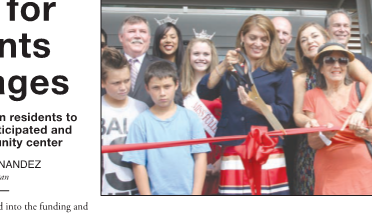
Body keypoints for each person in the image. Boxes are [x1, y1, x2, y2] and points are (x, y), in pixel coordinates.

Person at [196, 15, 294, 195]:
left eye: (264, 39)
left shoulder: (281, 70)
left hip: (267, 147)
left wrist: (257, 106)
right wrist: (224, 64)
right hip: (234, 145)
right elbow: (205, 92)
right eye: (253, 38)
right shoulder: (230, 66)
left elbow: (286, 113)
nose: (258, 43)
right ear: (242, 37)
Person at [292, 23, 372, 195]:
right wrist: (311, 123)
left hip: (357, 158)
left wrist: (359, 112)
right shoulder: (304, 81)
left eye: (314, 36)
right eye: (303, 40)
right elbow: (298, 114)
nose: (309, 41)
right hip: (318, 145)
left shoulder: (350, 67)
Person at [125, 61, 207, 197]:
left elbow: (200, 157)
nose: (162, 93)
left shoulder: (191, 118)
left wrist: (196, 194)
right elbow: (138, 164)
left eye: (167, 86)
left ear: (176, 85)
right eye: (156, 87)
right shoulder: (140, 122)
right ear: (147, 88)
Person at [178, 32, 223, 195]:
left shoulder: (221, 87)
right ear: (189, 56)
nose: (201, 58)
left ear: (212, 57)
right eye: (196, 54)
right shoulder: (179, 89)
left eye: (206, 54)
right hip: (188, 157)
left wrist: (221, 159)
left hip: (217, 155)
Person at [100, 48, 147, 197]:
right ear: (102, 83)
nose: (123, 87)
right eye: (116, 83)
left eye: (127, 80)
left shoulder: (141, 108)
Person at [145, 20, 185, 104]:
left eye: (172, 37)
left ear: (178, 40)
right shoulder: (148, 67)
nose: (168, 40)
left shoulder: (187, 68)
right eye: (163, 37)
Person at [117, 14, 153, 104]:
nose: (137, 36)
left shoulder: (163, 66)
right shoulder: (106, 66)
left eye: (143, 31)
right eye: (132, 31)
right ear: (121, 37)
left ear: (149, 38)